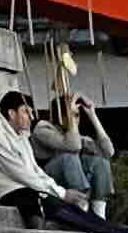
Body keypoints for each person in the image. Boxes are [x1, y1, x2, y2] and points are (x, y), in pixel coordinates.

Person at [0, 88, 128, 233]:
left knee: (97, 165)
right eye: (26, 112)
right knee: (60, 205)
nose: (31, 117)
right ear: (12, 113)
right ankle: (116, 231)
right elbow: (20, 173)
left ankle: (115, 229)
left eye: (31, 112)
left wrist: (92, 115)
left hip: (33, 188)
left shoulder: (20, 136)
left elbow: (108, 152)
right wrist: (62, 193)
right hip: (12, 193)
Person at [41, 81, 116, 212]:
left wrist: (93, 116)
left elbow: (109, 152)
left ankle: (99, 214)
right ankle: (81, 205)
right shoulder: (43, 128)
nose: (77, 119)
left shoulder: (78, 137)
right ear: (61, 116)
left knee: (100, 162)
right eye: (74, 115)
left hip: (72, 183)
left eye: (77, 115)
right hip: (47, 182)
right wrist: (71, 117)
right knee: (69, 157)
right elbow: (73, 146)